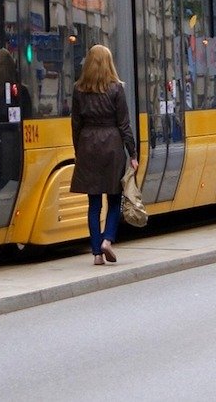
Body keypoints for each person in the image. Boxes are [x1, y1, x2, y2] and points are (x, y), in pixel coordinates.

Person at [69, 44, 138, 266]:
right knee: (115, 198)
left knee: (94, 203)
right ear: (109, 64)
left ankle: (97, 253)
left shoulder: (79, 89)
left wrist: (78, 150)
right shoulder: (116, 89)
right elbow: (124, 124)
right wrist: (133, 153)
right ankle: (108, 239)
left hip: (88, 145)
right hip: (112, 146)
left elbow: (75, 124)